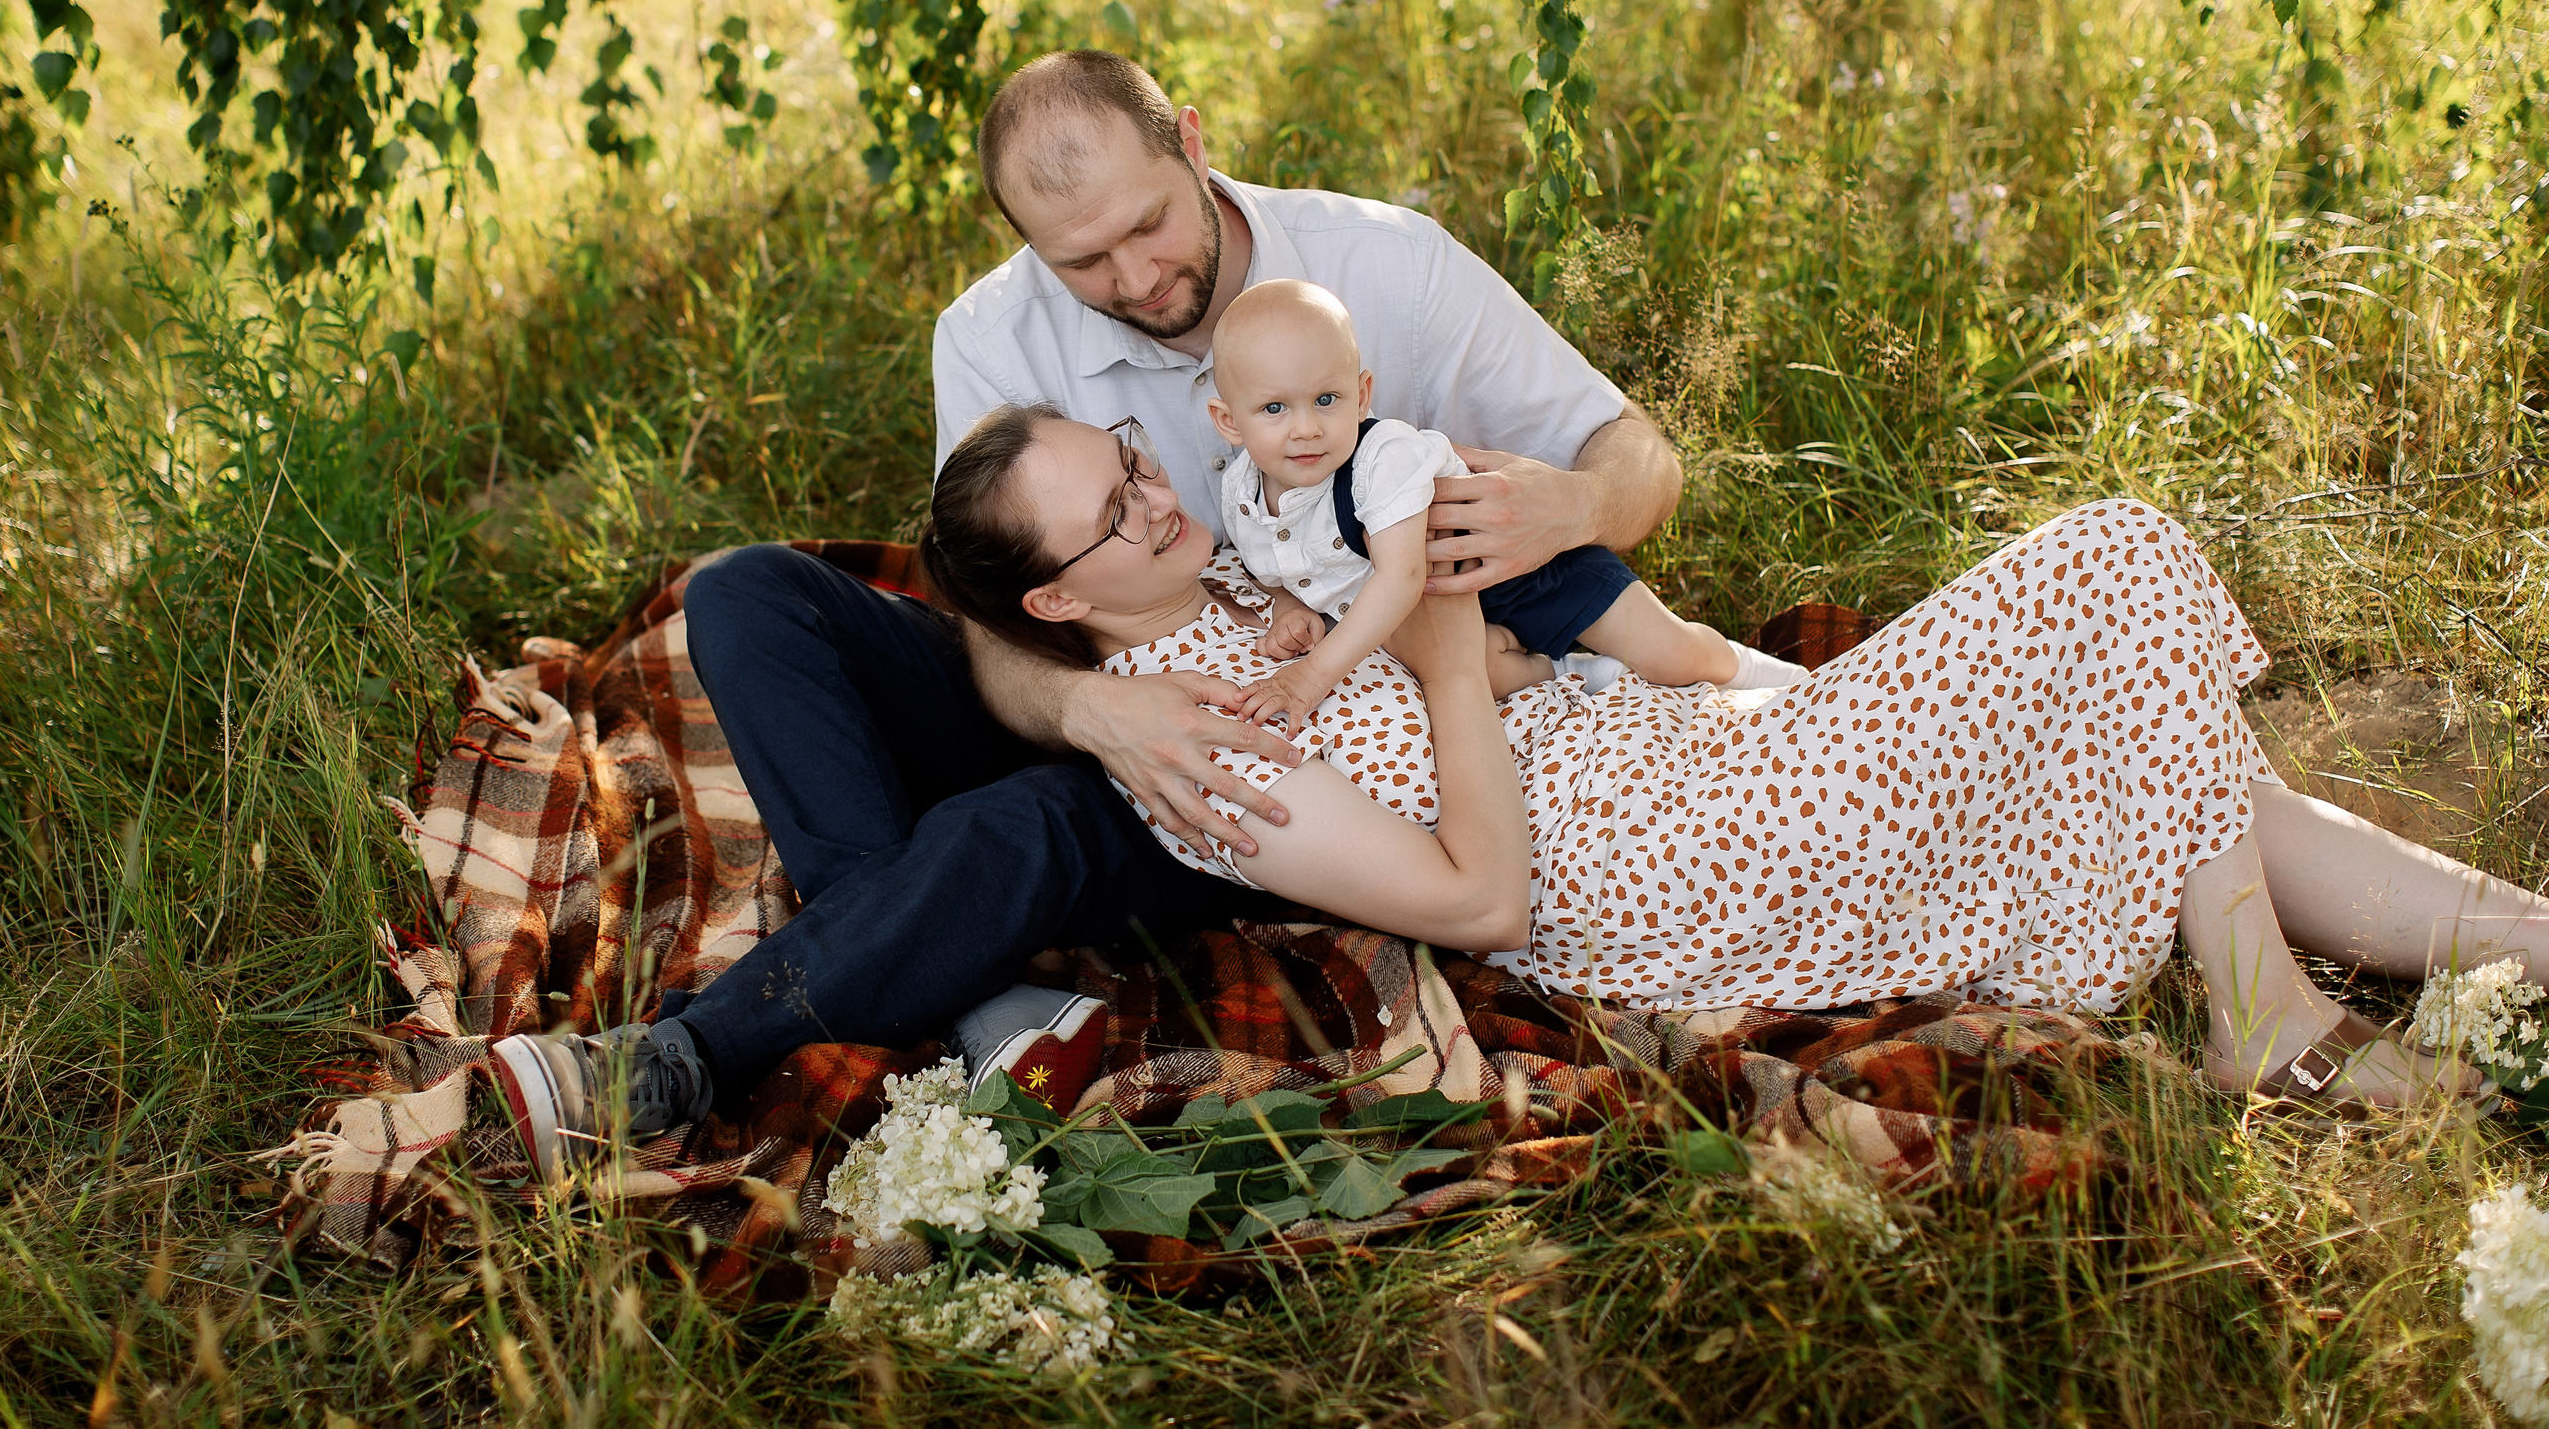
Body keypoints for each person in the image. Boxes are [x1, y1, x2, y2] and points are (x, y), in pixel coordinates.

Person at [492, 49, 1687, 1175]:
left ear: (1195, 146)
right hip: (1083, 691)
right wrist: (1092, 712)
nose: (1135, 281)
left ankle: (690, 1058)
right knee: (749, 589)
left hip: (1277, 748)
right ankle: (955, 987)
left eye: (1149, 226)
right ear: (1026, 248)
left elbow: (1640, 457)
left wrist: (1577, 503)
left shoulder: (1383, 266)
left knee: (1017, 828)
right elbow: (994, 626)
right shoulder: (989, 337)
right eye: (1083, 263)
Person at [922, 405, 2549, 1114]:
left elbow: (1468, 658)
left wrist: (1465, 652)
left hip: (1679, 751)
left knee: (2170, 745)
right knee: (2117, 559)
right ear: (1060, 601)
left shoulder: (1231, 576)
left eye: (1133, 458)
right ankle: (2264, 1012)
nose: (1157, 494)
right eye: (1114, 509)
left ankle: (2525, 947)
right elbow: (1476, 896)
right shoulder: (1196, 750)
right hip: (1673, 868)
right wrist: (1445, 659)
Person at [1204, 277, 1792, 723]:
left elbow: (1401, 576)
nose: (1305, 428)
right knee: (1468, 670)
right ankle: (1572, 672)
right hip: (1446, 616)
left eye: (1326, 399)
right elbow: (1275, 564)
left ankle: (1781, 679)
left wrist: (1312, 676)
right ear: (1229, 423)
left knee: (1671, 656)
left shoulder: (1382, 457)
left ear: (1362, 395)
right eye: (1275, 409)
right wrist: (1288, 605)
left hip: (1524, 568)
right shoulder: (1243, 491)